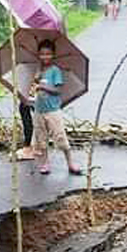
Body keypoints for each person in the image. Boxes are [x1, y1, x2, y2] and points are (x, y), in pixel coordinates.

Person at [32, 39, 81, 176]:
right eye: (42, 54)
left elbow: (57, 90)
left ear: (53, 55)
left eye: (48, 54)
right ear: (38, 55)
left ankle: (70, 162)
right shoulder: (39, 70)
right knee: (41, 138)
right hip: (39, 110)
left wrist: (42, 86)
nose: (45, 57)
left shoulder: (55, 71)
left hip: (53, 110)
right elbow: (34, 88)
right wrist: (36, 80)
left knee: (60, 137)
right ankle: (45, 162)